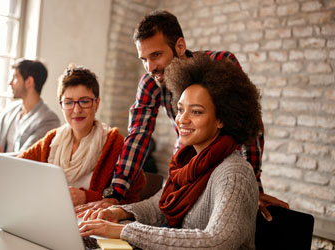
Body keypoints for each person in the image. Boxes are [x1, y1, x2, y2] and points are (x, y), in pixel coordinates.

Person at [79, 10, 288, 221]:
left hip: (226, 160)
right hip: (186, 161)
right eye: (143, 59)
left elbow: (248, 122)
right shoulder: (150, 82)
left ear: (180, 46)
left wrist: (252, 184)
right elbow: (138, 136)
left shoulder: (220, 63)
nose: (150, 67)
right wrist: (115, 193)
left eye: (156, 55)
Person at [79, 54, 261, 249]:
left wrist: (124, 230)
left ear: (221, 119)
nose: (182, 119)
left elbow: (218, 240)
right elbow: (161, 206)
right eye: (181, 109)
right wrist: (118, 213)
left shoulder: (234, 173)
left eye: (196, 111)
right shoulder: (186, 160)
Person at [18, 65, 145, 207]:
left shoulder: (116, 144)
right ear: (61, 105)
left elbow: (132, 201)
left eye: (84, 101)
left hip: (91, 224)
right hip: (50, 216)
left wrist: (87, 197)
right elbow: (16, 169)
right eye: (69, 102)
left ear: (97, 104)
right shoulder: (51, 140)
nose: (76, 110)